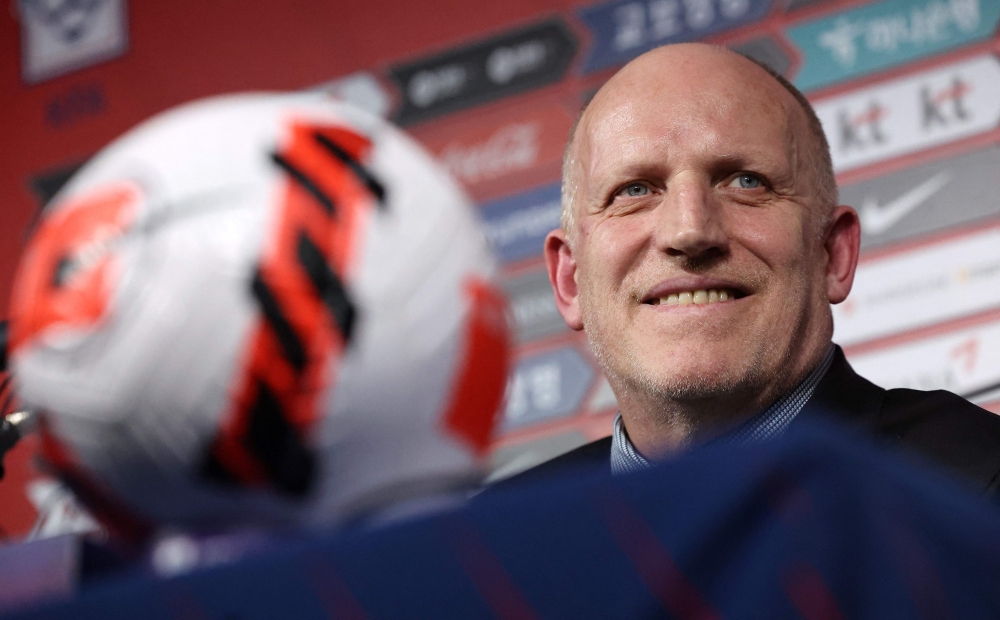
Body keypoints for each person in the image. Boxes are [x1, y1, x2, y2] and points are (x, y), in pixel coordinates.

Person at [501, 43, 1000, 494]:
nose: (689, 231)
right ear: (569, 281)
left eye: (745, 181)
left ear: (833, 253)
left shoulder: (977, 493)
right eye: (634, 191)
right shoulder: (487, 551)